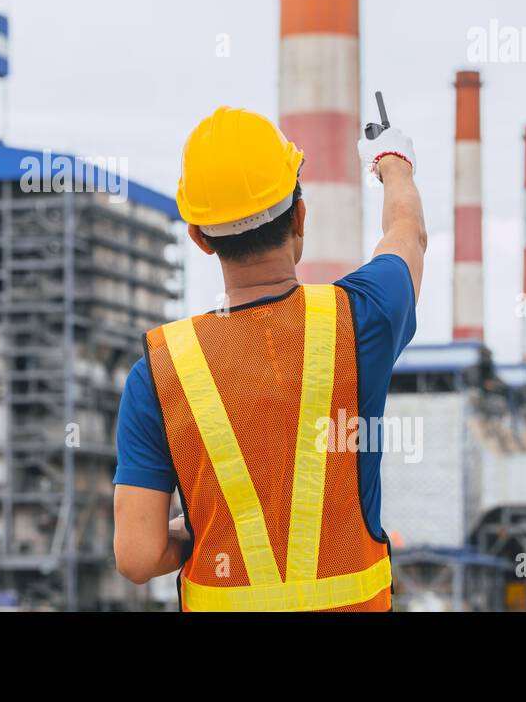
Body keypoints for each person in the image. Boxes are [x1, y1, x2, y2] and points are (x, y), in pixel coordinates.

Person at [112, 106, 426, 611]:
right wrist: (393, 164)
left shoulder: (160, 370)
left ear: (199, 238)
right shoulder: (362, 317)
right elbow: (407, 235)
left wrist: (202, 527)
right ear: (300, 216)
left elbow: (136, 556)